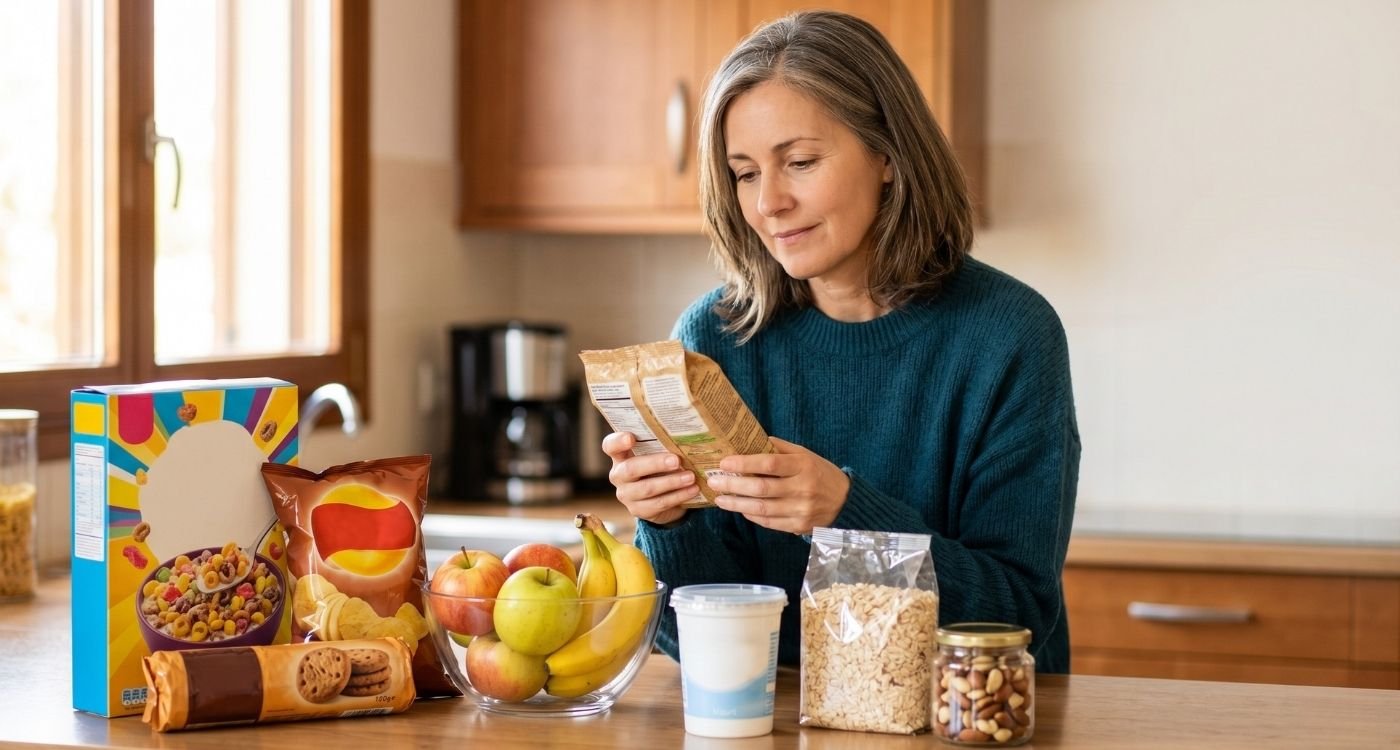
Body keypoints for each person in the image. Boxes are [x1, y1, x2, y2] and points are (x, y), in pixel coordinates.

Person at [602, 10, 1081, 673]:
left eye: (798, 161)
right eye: (744, 172)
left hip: (965, 723)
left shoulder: (1008, 335)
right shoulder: (714, 339)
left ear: (888, 154)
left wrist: (847, 518)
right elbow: (692, 644)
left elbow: (1018, 614)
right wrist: (666, 522)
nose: (769, 202)